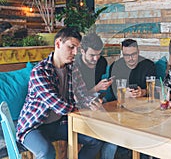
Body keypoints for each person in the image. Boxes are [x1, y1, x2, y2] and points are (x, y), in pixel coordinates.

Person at [16, 27, 106, 159]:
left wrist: (92, 102)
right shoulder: (40, 72)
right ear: (58, 44)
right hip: (34, 126)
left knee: (95, 140)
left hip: (58, 124)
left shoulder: (72, 69)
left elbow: (82, 94)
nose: (75, 52)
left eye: (77, 48)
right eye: (71, 47)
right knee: (46, 151)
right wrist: (81, 106)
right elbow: (58, 106)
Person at [75, 32, 117, 158]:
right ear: (82, 51)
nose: (96, 59)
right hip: (79, 106)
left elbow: (99, 92)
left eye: (98, 54)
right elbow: (76, 96)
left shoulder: (101, 62)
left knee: (116, 131)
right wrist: (96, 88)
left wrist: (105, 85)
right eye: (92, 55)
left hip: (96, 103)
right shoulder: (75, 65)